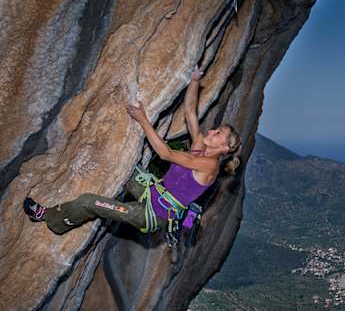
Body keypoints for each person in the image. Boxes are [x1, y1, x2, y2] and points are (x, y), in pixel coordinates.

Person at [23, 66, 241, 235]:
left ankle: (48, 217)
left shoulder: (210, 166)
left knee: (88, 202)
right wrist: (195, 80)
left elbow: (166, 154)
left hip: (151, 215)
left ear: (223, 148)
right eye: (216, 129)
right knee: (120, 158)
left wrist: (143, 120)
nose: (211, 131)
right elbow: (190, 112)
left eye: (218, 133)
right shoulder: (200, 149)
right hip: (152, 191)